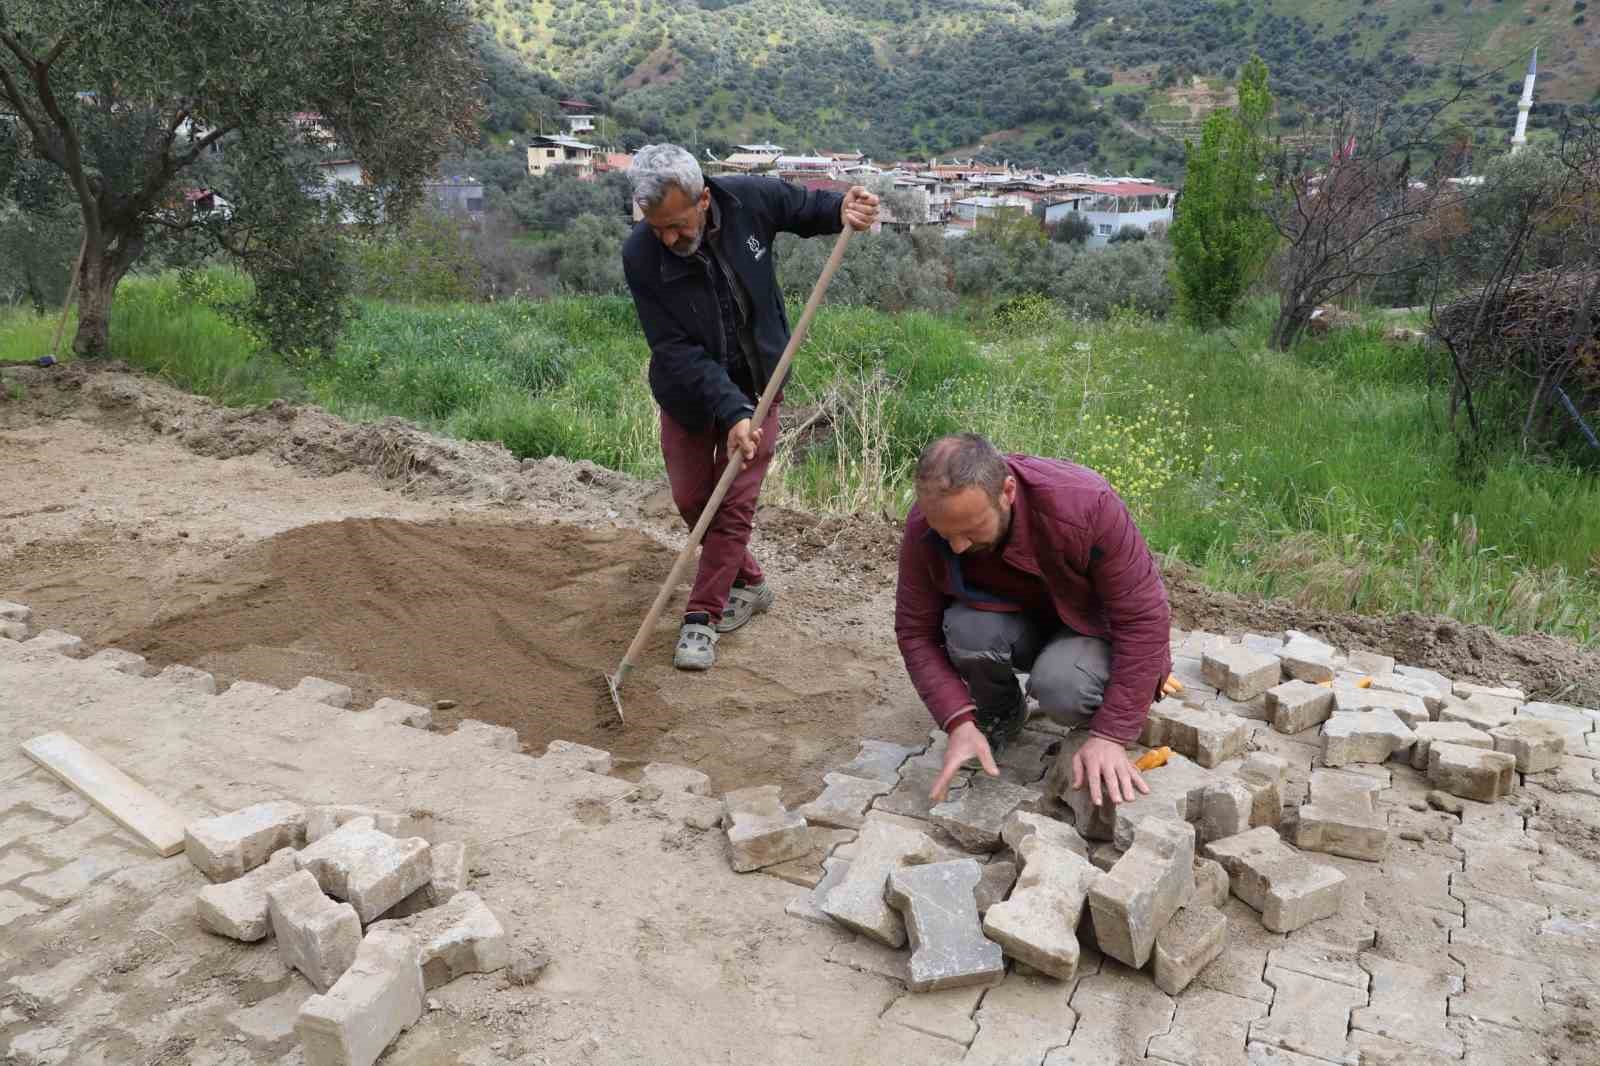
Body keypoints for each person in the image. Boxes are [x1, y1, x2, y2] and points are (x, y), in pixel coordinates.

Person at [622, 144, 879, 671]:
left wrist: (841, 209)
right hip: (690, 390)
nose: (668, 239)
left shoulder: (749, 200)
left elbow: (806, 208)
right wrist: (730, 409)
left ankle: (701, 619)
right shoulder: (640, 256)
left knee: (734, 503)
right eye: (657, 228)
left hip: (763, 381)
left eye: (675, 225)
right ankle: (752, 582)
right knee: (695, 499)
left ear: (704, 200)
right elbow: (673, 349)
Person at [894, 433, 1173, 807]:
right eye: (947, 535)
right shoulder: (927, 524)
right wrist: (957, 721)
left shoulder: (1086, 504)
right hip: (1019, 621)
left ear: (1007, 492)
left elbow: (1144, 618)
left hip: (1089, 628)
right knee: (967, 630)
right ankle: (1002, 713)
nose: (958, 546)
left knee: (1062, 686)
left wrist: (1112, 735)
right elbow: (915, 631)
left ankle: (1089, 725)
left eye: (972, 530)